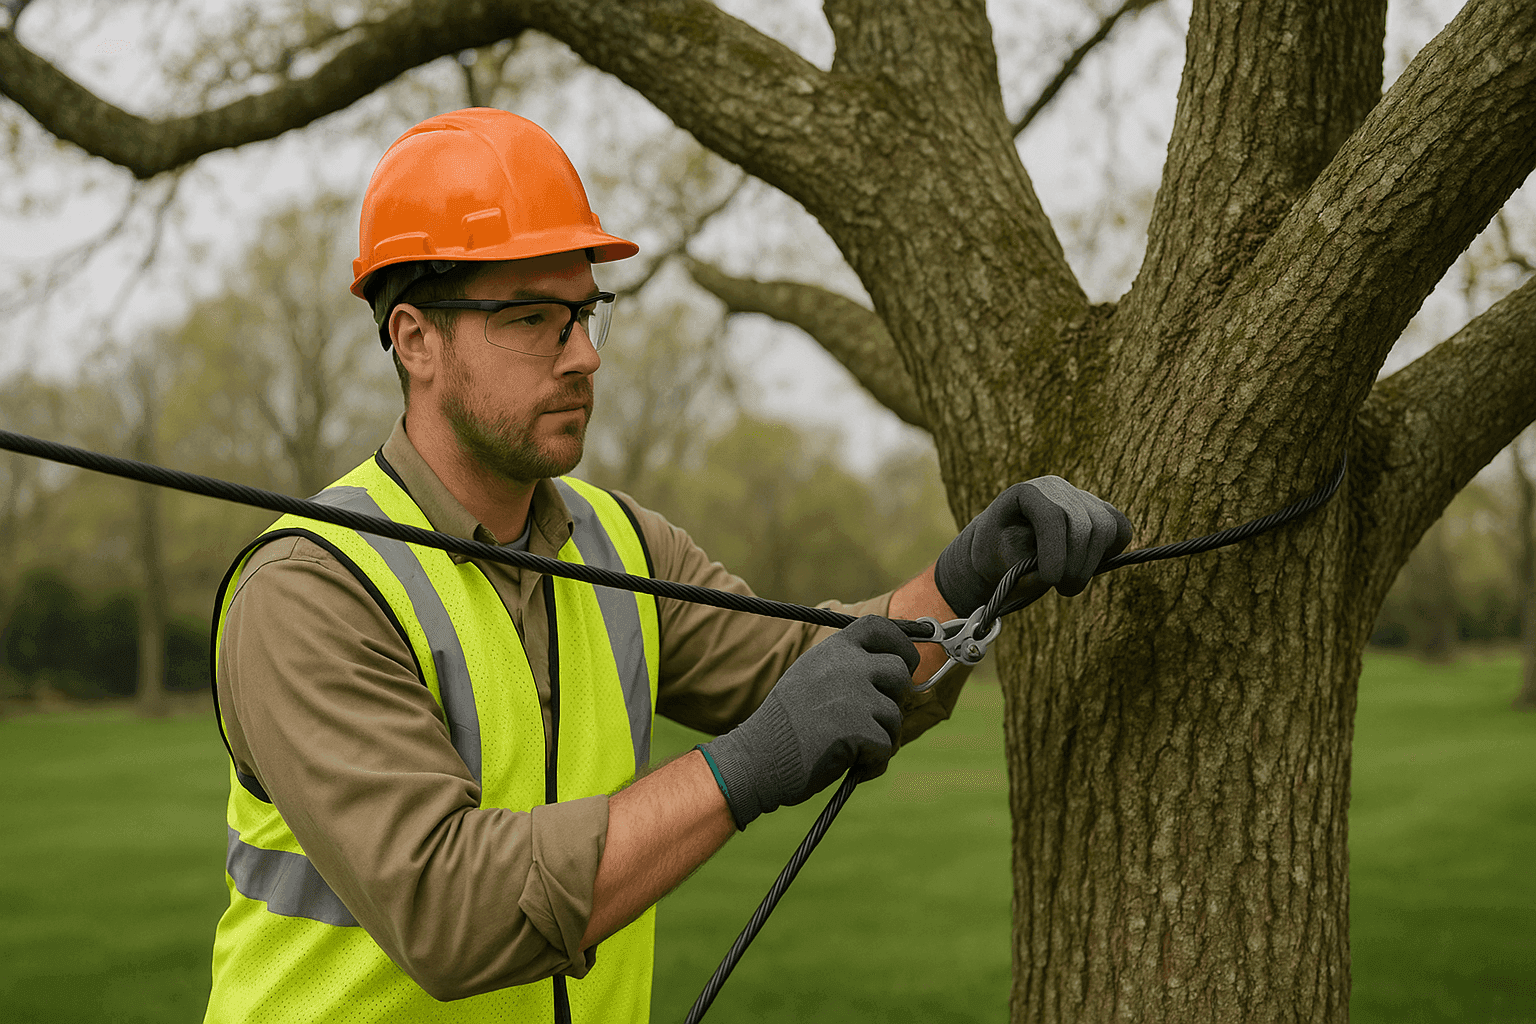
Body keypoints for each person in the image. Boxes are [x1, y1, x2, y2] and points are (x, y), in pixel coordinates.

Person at [203, 108, 1130, 1024]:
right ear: (415, 340)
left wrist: (963, 581)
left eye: (585, 315)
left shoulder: (618, 543)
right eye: (533, 318)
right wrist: (743, 768)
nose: (581, 358)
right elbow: (451, 912)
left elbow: (812, 675)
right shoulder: (311, 588)